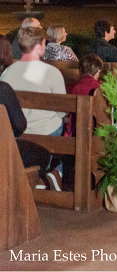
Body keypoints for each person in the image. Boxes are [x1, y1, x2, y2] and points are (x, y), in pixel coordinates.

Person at [0, 26, 67, 190]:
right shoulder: (52, 72)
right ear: (38, 46)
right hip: (46, 131)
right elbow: (62, 110)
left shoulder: (7, 73)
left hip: (16, 132)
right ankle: (56, 172)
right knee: (63, 125)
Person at [64, 54, 103, 138]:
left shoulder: (71, 87)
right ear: (98, 72)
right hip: (96, 132)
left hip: (74, 131)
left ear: (80, 70)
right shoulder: (101, 88)